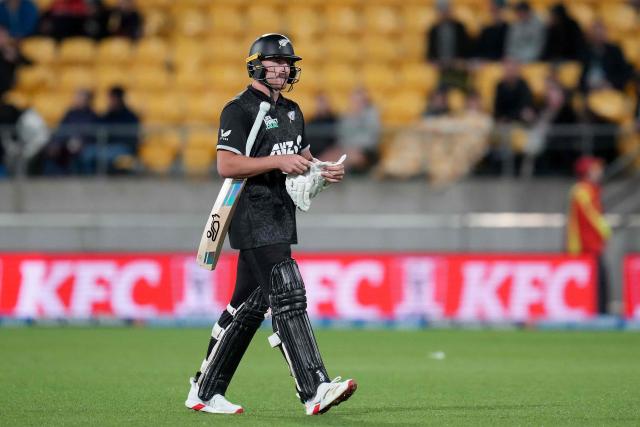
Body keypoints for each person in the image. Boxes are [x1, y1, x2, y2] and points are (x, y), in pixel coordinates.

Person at [184, 33, 355, 416]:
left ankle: (205, 390)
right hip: (250, 212)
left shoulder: (293, 110)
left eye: (287, 62)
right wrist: (277, 164)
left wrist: (324, 170)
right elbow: (226, 165)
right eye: (275, 61)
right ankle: (314, 388)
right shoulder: (239, 109)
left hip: (280, 214)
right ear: (256, 65)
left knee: (246, 306)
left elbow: (303, 159)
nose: (283, 68)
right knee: (287, 293)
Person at [566, 156, 611, 314]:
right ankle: (598, 313)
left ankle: (600, 311)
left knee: (600, 281)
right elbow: (591, 216)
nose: (599, 171)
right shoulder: (582, 190)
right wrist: (604, 229)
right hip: (586, 247)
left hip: (593, 246)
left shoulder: (591, 190)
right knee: (597, 283)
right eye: (595, 168)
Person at [42, 89, 99, 175]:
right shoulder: (70, 114)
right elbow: (61, 129)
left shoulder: (92, 116)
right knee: (51, 149)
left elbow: (90, 135)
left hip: (83, 145)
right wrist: (56, 143)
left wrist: (80, 142)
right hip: (65, 142)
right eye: (76, 97)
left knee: (81, 152)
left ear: (87, 100)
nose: (76, 99)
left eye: (79, 97)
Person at [579, 21, 632, 93]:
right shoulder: (584, 52)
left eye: (600, 33)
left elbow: (625, 73)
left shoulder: (614, 51)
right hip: (590, 91)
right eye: (595, 34)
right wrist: (588, 86)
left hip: (611, 91)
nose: (598, 37)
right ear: (589, 35)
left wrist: (610, 83)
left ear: (605, 34)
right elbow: (580, 77)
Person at [305, 92, 337, 160]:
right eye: (319, 101)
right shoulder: (310, 122)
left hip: (330, 155)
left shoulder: (336, 121)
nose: (321, 104)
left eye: (323, 101)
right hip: (312, 156)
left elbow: (338, 143)